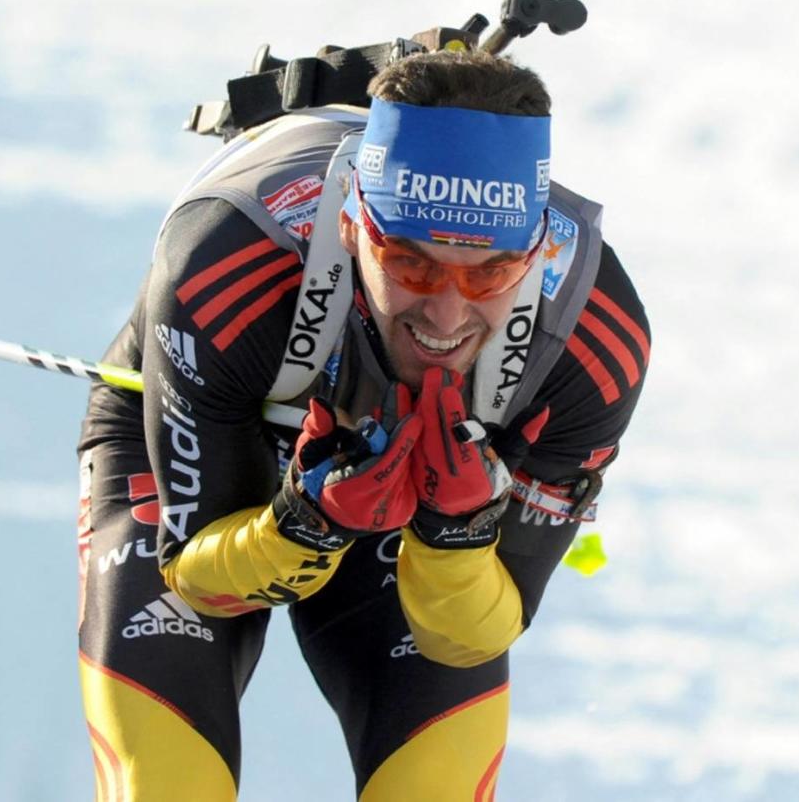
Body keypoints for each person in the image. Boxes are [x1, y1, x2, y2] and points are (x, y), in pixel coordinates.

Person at [76, 48, 651, 800]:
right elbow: (199, 580)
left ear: (537, 250)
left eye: (488, 275)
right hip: (224, 448)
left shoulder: (593, 339)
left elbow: (476, 632)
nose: (445, 316)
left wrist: (457, 535)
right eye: (410, 265)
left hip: (409, 504)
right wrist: (301, 525)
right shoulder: (224, 266)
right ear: (352, 225)